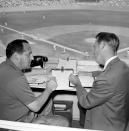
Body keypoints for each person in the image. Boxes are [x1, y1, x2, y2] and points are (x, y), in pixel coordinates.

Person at [0, 39, 69, 127]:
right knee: (64, 122)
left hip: (8, 114)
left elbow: (16, 79)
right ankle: (41, 123)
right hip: (17, 123)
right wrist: (49, 89)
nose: (32, 58)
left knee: (48, 102)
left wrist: (42, 72)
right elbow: (36, 107)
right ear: (16, 56)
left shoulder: (4, 66)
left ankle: (43, 121)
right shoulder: (17, 79)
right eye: (28, 54)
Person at [69, 32, 129, 131]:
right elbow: (110, 73)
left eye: (95, 47)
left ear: (102, 45)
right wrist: (93, 73)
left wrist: (77, 84)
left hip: (106, 125)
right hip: (119, 120)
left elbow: (86, 102)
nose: (94, 51)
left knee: (80, 104)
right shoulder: (123, 66)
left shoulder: (106, 78)